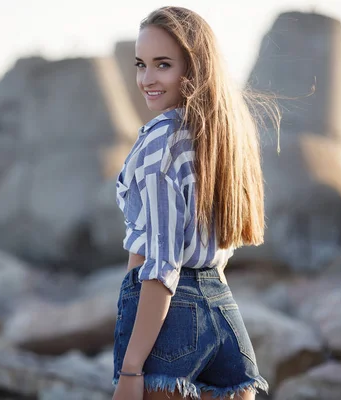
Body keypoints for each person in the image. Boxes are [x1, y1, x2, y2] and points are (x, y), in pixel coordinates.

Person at [112, 6, 275, 400]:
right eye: (140, 64)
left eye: (162, 65)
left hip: (167, 317)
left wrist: (131, 369)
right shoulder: (224, 138)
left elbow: (161, 265)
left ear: (193, 68)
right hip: (223, 310)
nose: (146, 79)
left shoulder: (159, 142)